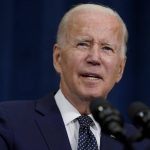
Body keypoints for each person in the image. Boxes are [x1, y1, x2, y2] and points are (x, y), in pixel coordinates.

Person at [0, 3, 149, 150]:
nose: (94, 58)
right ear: (58, 58)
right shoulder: (9, 121)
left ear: (120, 69)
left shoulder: (138, 143)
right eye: (83, 44)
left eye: (107, 48)